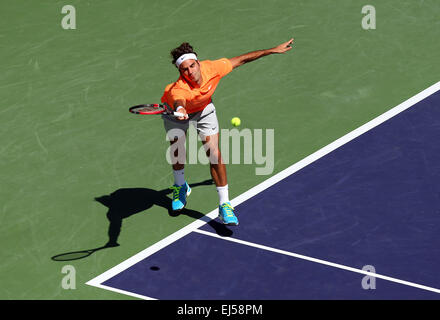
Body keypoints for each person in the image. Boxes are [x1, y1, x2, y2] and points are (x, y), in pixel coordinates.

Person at [161, 38, 294, 226]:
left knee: (214, 153)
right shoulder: (179, 90)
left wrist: (272, 50)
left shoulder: (213, 68)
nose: (190, 72)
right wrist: (181, 111)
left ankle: (225, 205)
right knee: (177, 149)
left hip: (203, 109)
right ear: (180, 71)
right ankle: (180, 185)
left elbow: (241, 60)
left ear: (198, 63)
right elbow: (179, 101)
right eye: (185, 69)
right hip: (175, 112)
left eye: (192, 66)